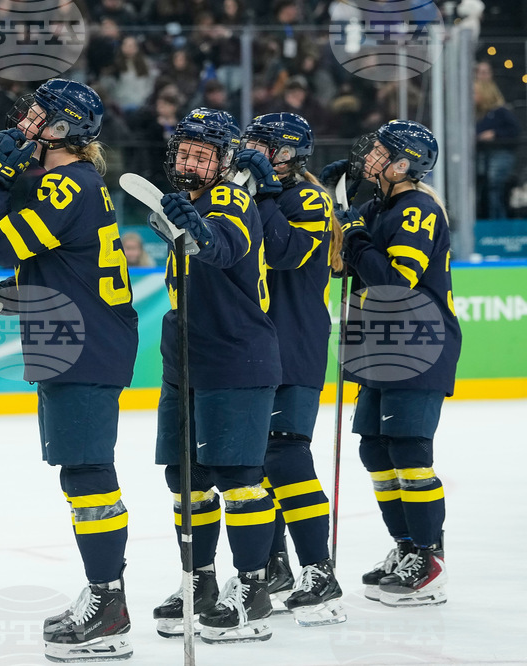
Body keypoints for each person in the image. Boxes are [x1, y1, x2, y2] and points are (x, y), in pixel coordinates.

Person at [0, 79, 139, 662]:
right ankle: (105, 595)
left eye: (38, 117)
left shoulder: (67, 183)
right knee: (81, 475)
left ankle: (109, 604)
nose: (25, 125)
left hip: (84, 349)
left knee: (89, 475)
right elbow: (53, 275)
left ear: (63, 130)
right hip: (78, 343)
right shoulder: (75, 182)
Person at [146, 108, 280, 643]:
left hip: (236, 356)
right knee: (186, 480)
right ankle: (198, 582)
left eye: (202, 155)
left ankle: (253, 589)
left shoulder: (230, 198)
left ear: (224, 161)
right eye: (185, 151)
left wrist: (196, 229)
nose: (189, 162)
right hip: (186, 357)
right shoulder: (189, 200)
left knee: (240, 480)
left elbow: (222, 247)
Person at [322, 120, 460, 607]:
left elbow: (396, 284)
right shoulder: (374, 208)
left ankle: (429, 556)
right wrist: (335, 204)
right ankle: (406, 547)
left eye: (381, 152)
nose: (370, 157)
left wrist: (356, 235)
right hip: (379, 344)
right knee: (377, 452)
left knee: (408, 451)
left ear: (403, 165)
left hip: (417, 342)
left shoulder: (418, 209)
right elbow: (339, 265)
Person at [237, 112, 346, 626]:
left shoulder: (309, 198)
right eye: (252, 143)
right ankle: (273, 566)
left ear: (290, 156)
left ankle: (319, 571)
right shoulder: (248, 193)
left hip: (295, 342)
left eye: (266, 147)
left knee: (285, 453)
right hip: (255, 345)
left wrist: (258, 194)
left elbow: (283, 253)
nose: (254, 152)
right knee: (255, 463)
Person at [474, 79, 521, 219]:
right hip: (482, 156)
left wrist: (495, 134)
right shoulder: (477, 114)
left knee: (495, 188)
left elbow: (516, 130)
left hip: (500, 154)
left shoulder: (500, 112)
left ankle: (498, 221)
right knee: (484, 188)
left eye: (475, 92)